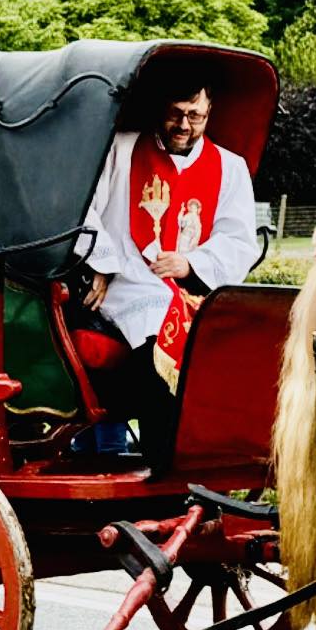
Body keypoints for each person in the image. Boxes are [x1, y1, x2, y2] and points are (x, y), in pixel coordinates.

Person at [76, 74, 259, 465]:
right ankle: (163, 460)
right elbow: (84, 208)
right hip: (129, 281)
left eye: (195, 116)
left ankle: (213, 454)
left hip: (197, 285)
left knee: (236, 334)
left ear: (210, 113)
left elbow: (238, 239)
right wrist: (102, 263)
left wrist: (190, 262)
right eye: (176, 114)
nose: (184, 126)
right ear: (161, 110)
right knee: (159, 327)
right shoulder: (123, 150)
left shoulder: (230, 167)